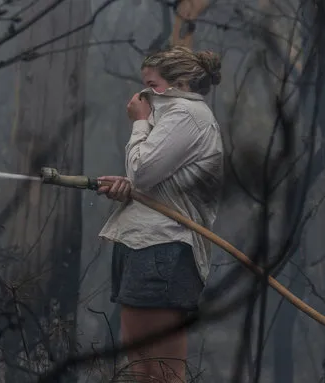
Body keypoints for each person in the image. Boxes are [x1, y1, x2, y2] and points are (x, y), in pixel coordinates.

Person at [97, 45, 224, 382]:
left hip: (163, 249)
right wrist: (128, 188)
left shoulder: (186, 114)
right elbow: (154, 181)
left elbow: (142, 170)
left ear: (179, 83)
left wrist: (139, 124)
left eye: (151, 86)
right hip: (144, 245)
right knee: (139, 368)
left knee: (162, 372)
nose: (144, 96)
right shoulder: (173, 116)